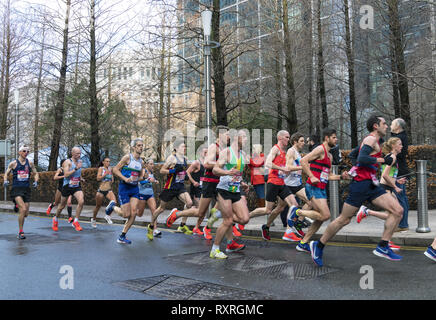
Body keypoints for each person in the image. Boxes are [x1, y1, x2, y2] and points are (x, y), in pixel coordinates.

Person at [310, 115, 404, 267]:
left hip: (372, 185)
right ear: (375, 126)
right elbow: (361, 158)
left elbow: (354, 155)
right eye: (384, 124)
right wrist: (382, 161)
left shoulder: (376, 142)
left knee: (398, 210)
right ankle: (318, 246)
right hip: (360, 185)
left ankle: (383, 246)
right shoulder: (370, 140)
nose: (386, 126)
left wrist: (356, 169)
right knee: (344, 219)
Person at [249, 130, 324, 241]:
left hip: (287, 183)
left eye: (289, 137)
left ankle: (291, 228)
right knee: (270, 210)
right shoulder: (280, 149)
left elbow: (287, 167)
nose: (288, 139)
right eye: (286, 137)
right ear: (280, 138)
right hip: (279, 183)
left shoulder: (286, 151)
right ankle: (249, 218)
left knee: (294, 205)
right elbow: (269, 163)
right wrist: (286, 168)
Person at [295, 128, 344, 252]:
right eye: (333, 137)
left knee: (321, 218)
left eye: (336, 137)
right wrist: (311, 176)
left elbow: (327, 176)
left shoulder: (330, 156)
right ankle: (297, 213)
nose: (336, 139)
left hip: (321, 188)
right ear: (327, 138)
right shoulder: (320, 149)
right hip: (313, 186)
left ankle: (303, 242)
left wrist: (342, 176)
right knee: (326, 215)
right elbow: (303, 161)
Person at [355, 137, 405, 251]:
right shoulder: (392, 157)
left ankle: (387, 241)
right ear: (393, 146)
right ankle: (367, 211)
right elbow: (385, 176)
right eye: (399, 144)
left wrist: (397, 181)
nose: (401, 146)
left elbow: (388, 175)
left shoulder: (389, 157)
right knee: (395, 214)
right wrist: (395, 186)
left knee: (395, 215)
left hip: (387, 187)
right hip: (386, 188)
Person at [209, 130, 250, 259]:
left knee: (244, 219)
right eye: (243, 137)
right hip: (224, 190)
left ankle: (220, 212)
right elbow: (215, 169)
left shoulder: (242, 154)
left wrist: (242, 182)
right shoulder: (226, 152)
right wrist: (227, 173)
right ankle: (215, 249)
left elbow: (237, 173)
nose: (246, 139)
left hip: (235, 190)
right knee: (228, 221)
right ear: (236, 138)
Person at [150, 140, 194, 238]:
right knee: (161, 209)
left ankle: (182, 225)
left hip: (180, 187)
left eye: (185, 147)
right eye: (183, 147)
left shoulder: (185, 159)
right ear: (176, 148)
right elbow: (162, 171)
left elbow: (183, 172)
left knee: (189, 203)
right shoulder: (172, 158)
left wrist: (185, 176)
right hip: (170, 187)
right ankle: (151, 226)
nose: (185, 148)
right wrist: (173, 170)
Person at [281, 132, 314, 243]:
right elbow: (288, 167)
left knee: (311, 202)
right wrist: (302, 167)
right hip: (288, 185)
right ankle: (270, 226)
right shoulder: (291, 151)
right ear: (295, 142)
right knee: (277, 209)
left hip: (297, 185)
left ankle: (297, 223)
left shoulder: (298, 153)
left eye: (304, 141)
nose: (304, 143)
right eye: (301, 141)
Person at [112, 138, 145, 244]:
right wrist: (125, 178)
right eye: (139, 145)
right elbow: (115, 170)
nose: (141, 147)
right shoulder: (127, 158)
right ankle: (112, 207)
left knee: (134, 212)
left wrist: (143, 177)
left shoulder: (141, 162)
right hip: (124, 188)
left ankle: (122, 236)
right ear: (134, 147)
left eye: (142, 145)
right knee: (126, 214)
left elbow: (140, 177)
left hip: (134, 188)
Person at [4, 145, 39, 239]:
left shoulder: (30, 163)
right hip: (16, 189)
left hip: (26, 189)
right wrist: (5, 180)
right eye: (24, 151)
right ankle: (21, 232)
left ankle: (16, 205)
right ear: (19, 152)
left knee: (26, 214)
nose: (26, 153)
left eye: (27, 151)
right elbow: (6, 173)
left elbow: (36, 173)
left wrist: (36, 181)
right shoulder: (13, 163)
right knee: (23, 209)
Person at [52, 147, 86, 232]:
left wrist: (80, 178)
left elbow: (78, 172)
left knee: (81, 201)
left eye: (80, 153)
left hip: (76, 186)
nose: (79, 155)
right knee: (62, 206)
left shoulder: (80, 161)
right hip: (67, 186)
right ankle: (55, 218)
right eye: (77, 153)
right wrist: (76, 168)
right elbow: (66, 175)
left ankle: (76, 221)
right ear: (73, 153)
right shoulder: (67, 162)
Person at [390, 118, 410, 232]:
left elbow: (398, 155)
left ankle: (403, 225)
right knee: (402, 198)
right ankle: (403, 224)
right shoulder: (400, 137)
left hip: (399, 171)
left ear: (398, 126)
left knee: (401, 198)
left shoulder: (400, 138)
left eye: (392, 123)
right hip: (400, 170)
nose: (390, 125)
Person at [91, 157, 117, 228]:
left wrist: (111, 179)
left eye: (109, 161)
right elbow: (98, 178)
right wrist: (105, 174)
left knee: (114, 202)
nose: (108, 163)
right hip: (101, 190)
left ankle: (107, 216)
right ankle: (93, 219)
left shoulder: (110, 169)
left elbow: (112, 180)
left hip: (108, 190)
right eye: (107, 161)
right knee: (98, 206)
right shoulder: (101, 169)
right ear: (103, 162)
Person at [137, 158, 160, 237]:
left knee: (154, 211)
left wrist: (155, 181)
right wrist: (149, 181)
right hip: (142, 194)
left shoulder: (151, 172)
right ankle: (132, 212)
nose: (152, 165)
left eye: (153, 164)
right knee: (140, 214)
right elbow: (140, 181)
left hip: (150, 194)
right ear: (146, 164)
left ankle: (154, 229)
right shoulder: (143, 171)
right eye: (151, 164)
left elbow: (151, 179)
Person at [248, 144, 266, 208]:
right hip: (255, 178)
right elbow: (251, 166)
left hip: (259, 178)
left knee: (261, 194)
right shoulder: (255, 157)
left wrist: (249, 159)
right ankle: (260, 207)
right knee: (258, 194)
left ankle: (262, 208)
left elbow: (256, 164)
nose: (252, 150)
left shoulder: (262, 156)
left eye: (253, 149)